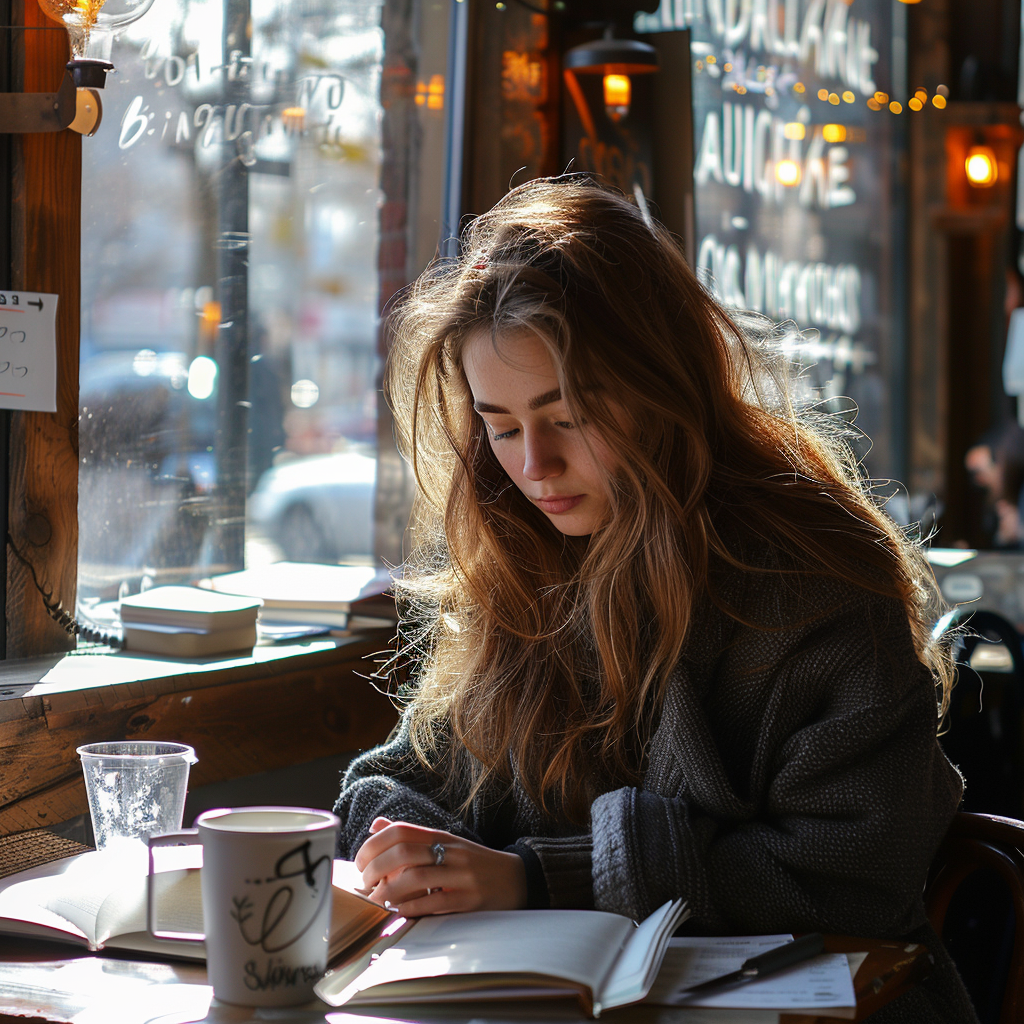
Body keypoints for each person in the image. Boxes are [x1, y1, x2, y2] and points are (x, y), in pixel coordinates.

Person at [334, 177, 975, 1022]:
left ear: (660, 386)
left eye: (568, 414)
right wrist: (409, 851)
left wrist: (534, 878)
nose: (534, 466)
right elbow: (392, 780)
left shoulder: (818, 579)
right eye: (500, 422)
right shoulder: (524, 567)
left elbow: (846, 869)